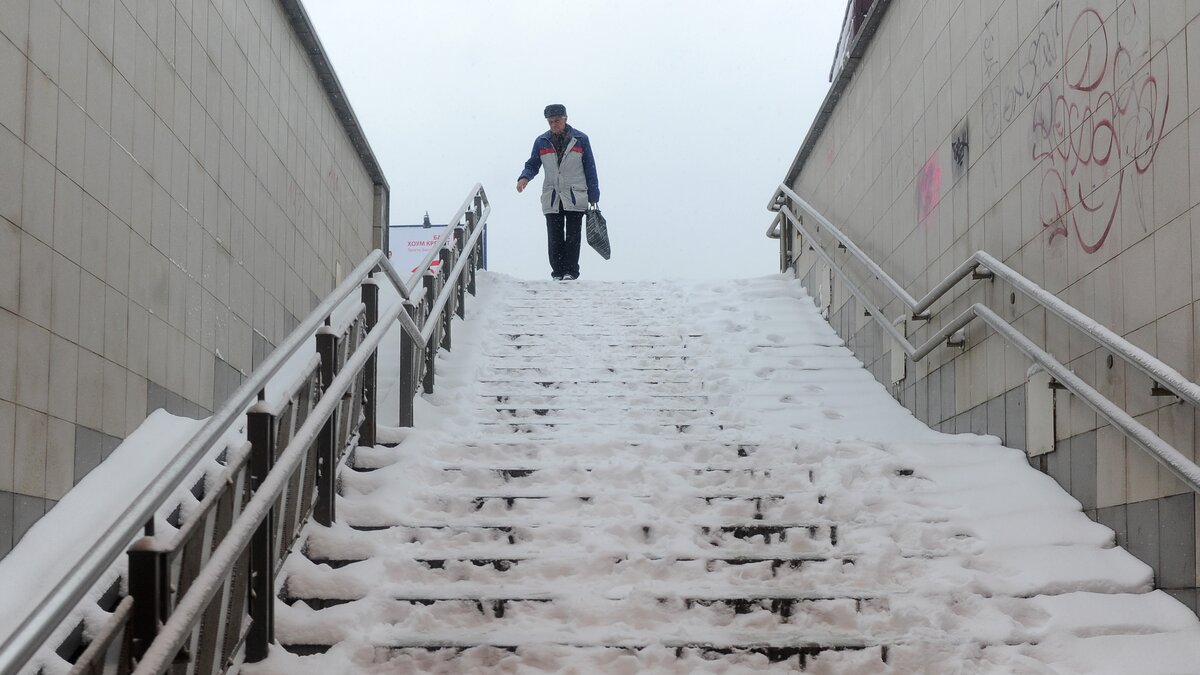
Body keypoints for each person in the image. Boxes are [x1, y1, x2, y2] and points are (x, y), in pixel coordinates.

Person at [517, 104, 600, 281]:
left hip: (575, 194)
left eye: (557, 120)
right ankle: (557, 272)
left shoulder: (581, 139)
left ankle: (571, 271)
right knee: (554, 236)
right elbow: (533, 164)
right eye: (550, 122)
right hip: (552, 196)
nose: (554, 124)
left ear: (565, 119)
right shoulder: (541, 141)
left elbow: (590, 167)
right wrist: (524, 177)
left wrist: (594, 195)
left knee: (573, 236)